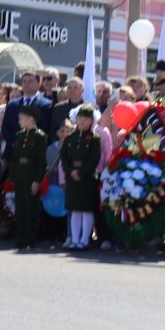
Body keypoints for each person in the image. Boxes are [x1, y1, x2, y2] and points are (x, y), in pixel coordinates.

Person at [60, 106, 101, 251]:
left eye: (86, 119)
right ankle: (75, 239)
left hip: (87, 177)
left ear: (91, 121)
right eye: (80, 118)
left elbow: (94, 159)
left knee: (87, 209)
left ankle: (85, 240)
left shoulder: (95, 138)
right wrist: (71, 171)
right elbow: (64, 157)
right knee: (75, 209)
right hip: (72, 177)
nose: (82, 121)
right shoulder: (70, 137)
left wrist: (81, 172)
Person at [7, 106, 47, 248]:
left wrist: (37, 180)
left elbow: (41, 160)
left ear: (30, 119)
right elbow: (15, 158)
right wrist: (13, 177)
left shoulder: (39, 136)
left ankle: (30, 238)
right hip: (20, 175)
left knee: (31, 208)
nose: (19, 121)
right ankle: (21, 237)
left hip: (31, 174)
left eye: (21, 118)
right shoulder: (20, 135)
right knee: (20, 207)